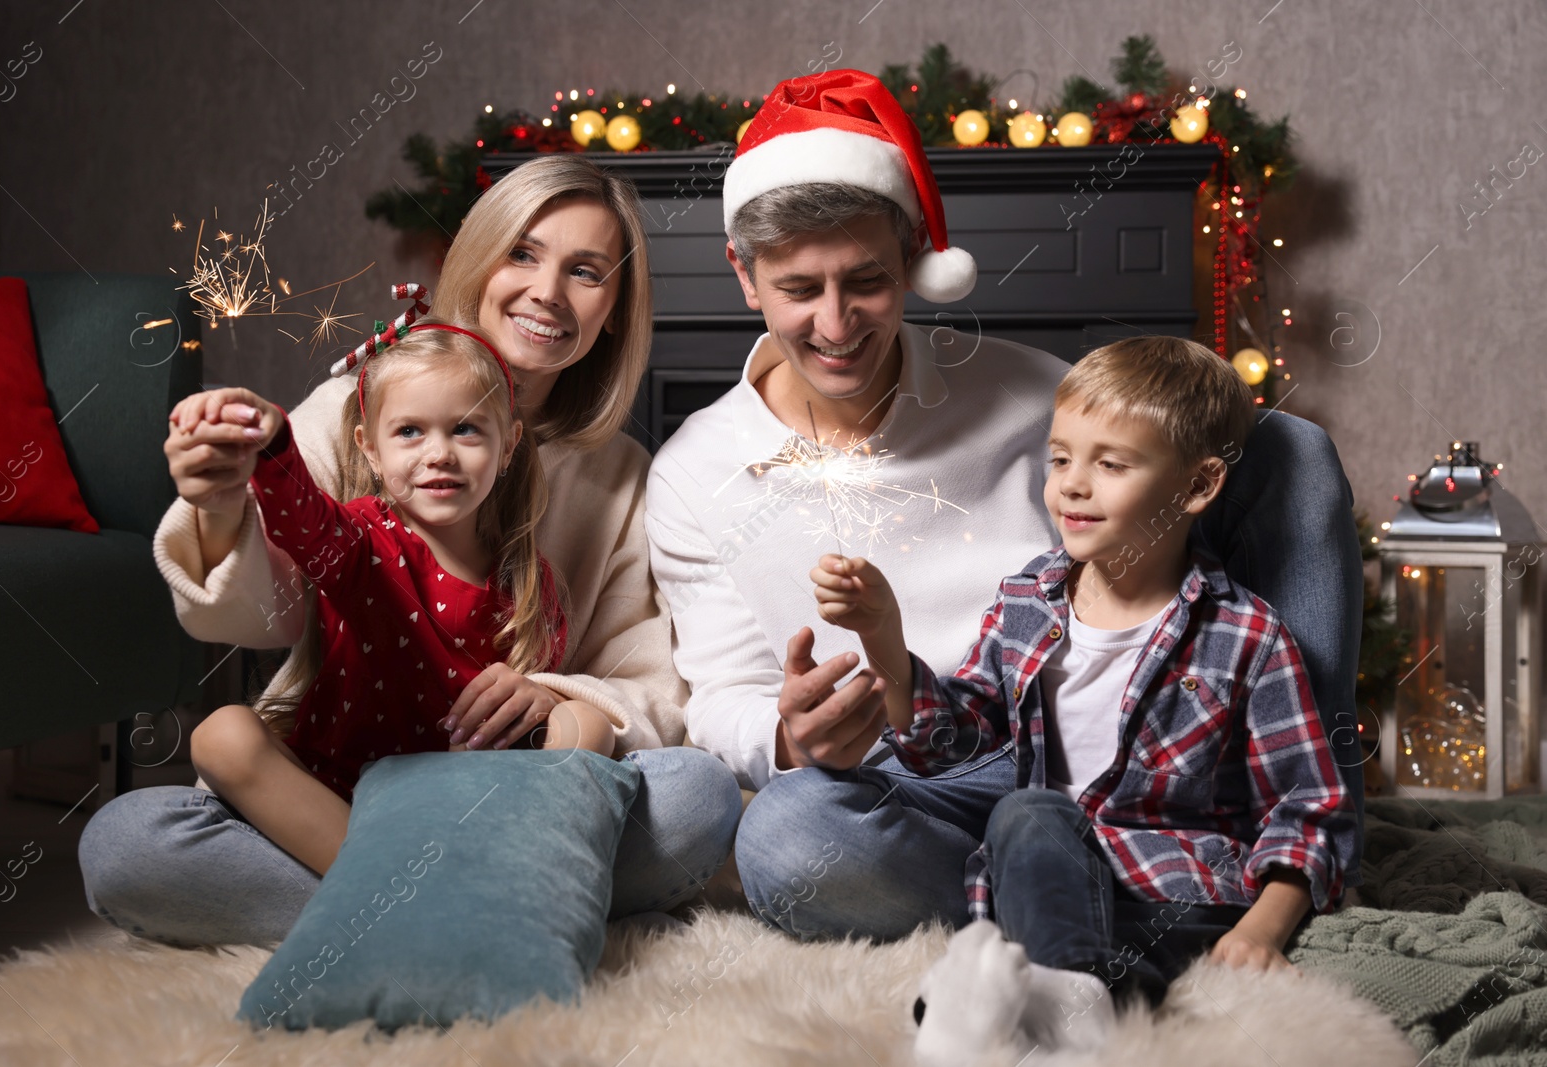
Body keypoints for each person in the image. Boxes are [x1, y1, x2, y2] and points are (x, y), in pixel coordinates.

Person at [645, 69, 1364, 943]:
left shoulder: (1030, 394)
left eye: (866, 281)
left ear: (912, 253)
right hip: (914, 778)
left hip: (1088, 738)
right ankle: (1083, 890)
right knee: (788, 836)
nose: (836, 325)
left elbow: (1158, 501)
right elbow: (723, 691)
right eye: (800, 289)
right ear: (746, 276)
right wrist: (790, 740)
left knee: (1290, 449)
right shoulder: (693, 470)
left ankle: (1311, 836)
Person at [79, 156, 741, 947]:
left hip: (509, 791)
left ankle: (391, 909)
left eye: (586, 272)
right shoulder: (352, 404)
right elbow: (269, 608)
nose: (548, 292)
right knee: (125, 846)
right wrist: (223, 500)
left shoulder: (625, 479)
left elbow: (654, 688)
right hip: (347, 785)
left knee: (698, 796)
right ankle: (491, 907)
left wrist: (561, 695)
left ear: (613, 310)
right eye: (523, 253)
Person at [813, 337, 1354, 1043]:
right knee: (1026, 817)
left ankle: (1054, 1007)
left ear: (1196, 487)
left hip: (1175, 896)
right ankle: (1073, 1005)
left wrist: (1262, 930)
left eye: (1110, 463)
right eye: (1061, 458)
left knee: (1016, 861)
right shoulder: (1026, 602)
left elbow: (1307, 807)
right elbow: (956, 736)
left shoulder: (1247, 635)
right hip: (1050, 876)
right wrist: (884, 636)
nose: (1071, 484)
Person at [178, 321, 615, 878]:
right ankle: (383, 884)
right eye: (409, 431)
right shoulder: (360, 540)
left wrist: (541, 700)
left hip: (460, 801)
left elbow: (527, 718)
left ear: (508, 446)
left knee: (587, 721)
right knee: (223, 735)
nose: (439, 454)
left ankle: (455, 877)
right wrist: (270, 443)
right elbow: (300, 521)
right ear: (371, 450)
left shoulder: (530, 583)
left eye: (465, 430)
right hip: (334, 796)